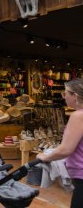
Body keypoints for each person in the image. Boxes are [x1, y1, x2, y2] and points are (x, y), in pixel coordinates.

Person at [37, 78, 83, 208]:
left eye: (65, 93)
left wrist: (45, 157)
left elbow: (65, 150)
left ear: (75, 96)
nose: (64, 97)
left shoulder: (78, 116)